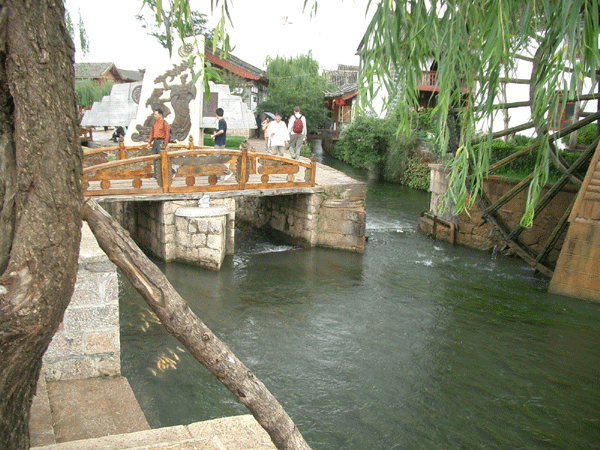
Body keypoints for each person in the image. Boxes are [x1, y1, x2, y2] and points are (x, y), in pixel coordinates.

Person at [211, 107, 233, 181]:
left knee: (217, 160)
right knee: (217, 160)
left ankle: (228, 172)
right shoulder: (223, 121)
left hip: (219, 143)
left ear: (216, 114)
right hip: (221, 142)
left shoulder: (221, 121)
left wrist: (214, 135)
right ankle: (218, 176)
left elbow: (221, 131)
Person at [147, 108, 170, 178]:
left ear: (160, 115)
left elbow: (167, 135)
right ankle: (156, 174)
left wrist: (165, 144)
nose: (154, 116)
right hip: (155, 141)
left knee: (163, 158)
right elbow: (152, 134)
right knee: (155, 158)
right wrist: (149, 143)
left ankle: (170, 172)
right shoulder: (155, 123)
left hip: (161, 141)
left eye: (155, 114)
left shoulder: (164, 123)